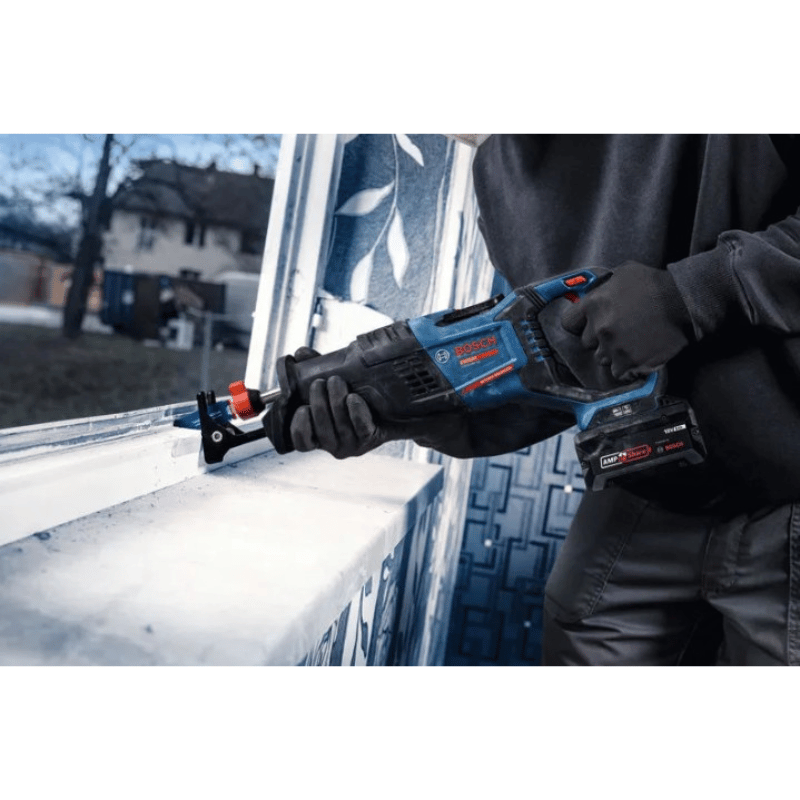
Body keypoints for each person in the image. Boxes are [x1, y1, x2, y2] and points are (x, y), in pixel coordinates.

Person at [288, 134, 800, 666]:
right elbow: (562, 365)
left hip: (788, 484)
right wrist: (427, 417)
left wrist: (688, 296)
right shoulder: (499, 170)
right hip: (650, 477)